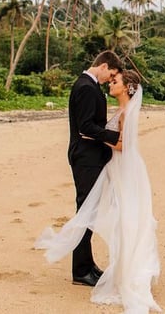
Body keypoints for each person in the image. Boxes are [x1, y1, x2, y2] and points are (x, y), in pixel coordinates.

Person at [36, 70, 161, 313]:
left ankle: (125, 270)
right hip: (115, 167)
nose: (111, 83)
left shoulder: (126, 113)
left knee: (124, 217)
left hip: (123, 169)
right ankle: (100, 267)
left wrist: (98, 138)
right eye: (111, 79)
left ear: (126, 88)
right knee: (116, 216)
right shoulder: (122, 110)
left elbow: (126, 145)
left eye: (115, 81)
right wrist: (98, 136)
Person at [65, 50, 123, 286]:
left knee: (89, 212)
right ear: (103, 65)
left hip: (91, 157)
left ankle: (87, 265)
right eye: (111, 74)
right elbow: (86, 127)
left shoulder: (90, 86)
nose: (110, 79)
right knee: (85, 212)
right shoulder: (87, 88)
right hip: (85, 158)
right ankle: (80, 271)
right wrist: (116, 137)